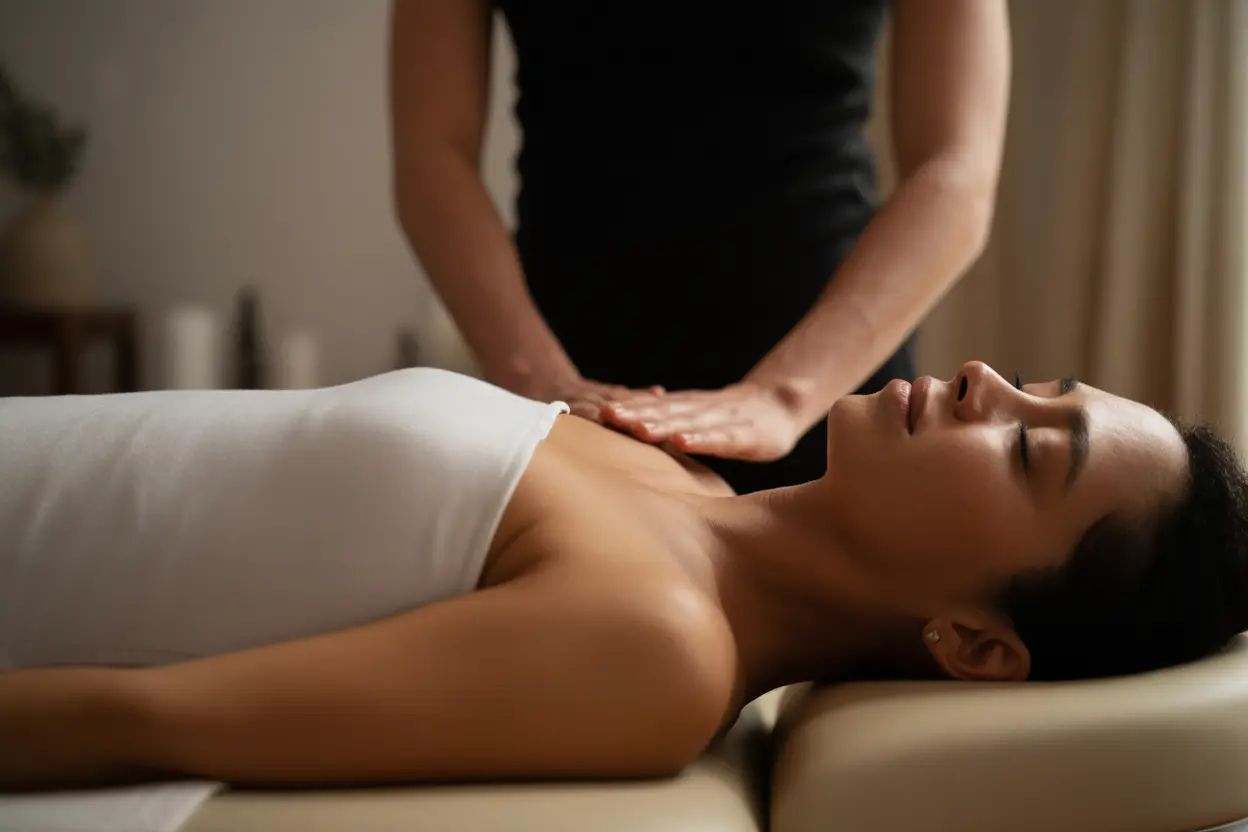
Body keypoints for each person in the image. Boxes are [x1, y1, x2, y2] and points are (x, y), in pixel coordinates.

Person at [2, 360, 1246, 791]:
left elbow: (149, 715)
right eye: (1043, 383)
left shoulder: (662, 648)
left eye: (1033, 446)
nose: (986, 380)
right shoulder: (684, 487)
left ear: (975, 643)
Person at [388, 0, 1011, 494]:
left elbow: (955, 173)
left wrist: (783, 396)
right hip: (566, 374)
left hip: (832, 372)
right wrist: (542, 381)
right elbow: (432, 157)